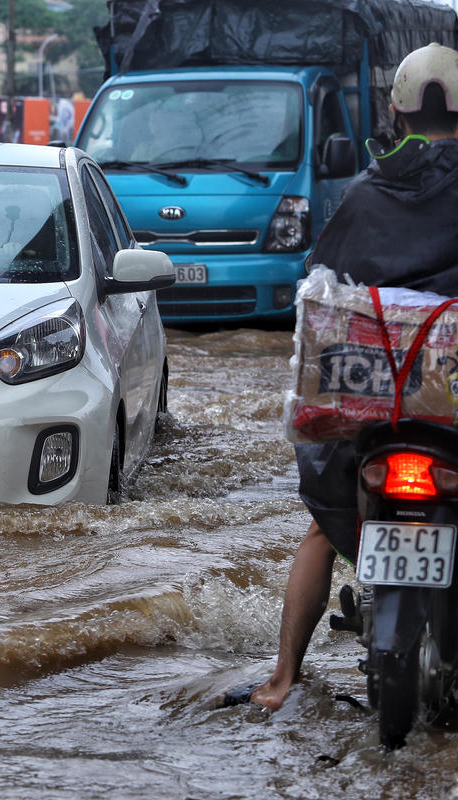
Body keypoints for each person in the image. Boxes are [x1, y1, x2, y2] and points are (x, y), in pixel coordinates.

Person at [234, 42, 458, 712]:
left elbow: (320, 291)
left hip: (375, 408)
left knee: (318, 533)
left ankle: (280, 682)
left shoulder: (365, 191)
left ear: (394, 110)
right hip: (449, 402)